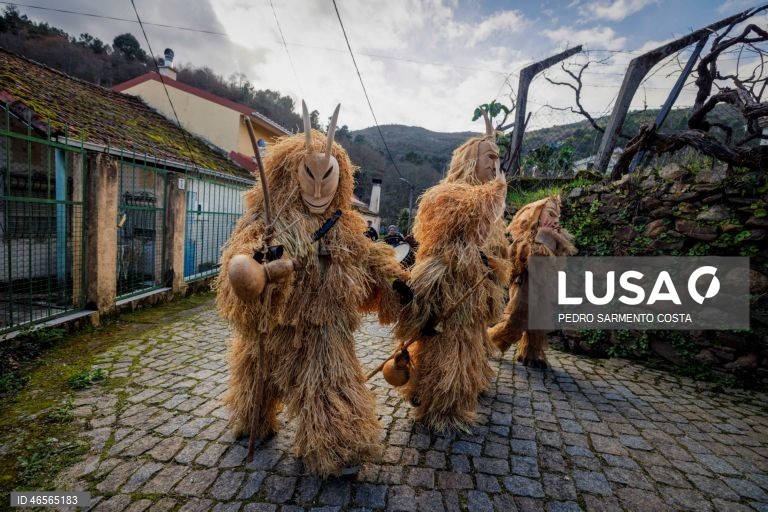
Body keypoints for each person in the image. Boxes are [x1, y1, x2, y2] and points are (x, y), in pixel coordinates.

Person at [217, 102, 408, 477]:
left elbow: (368, 258)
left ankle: (338, 445)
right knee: (257, 376)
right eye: (310, 177)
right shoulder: (270, 220)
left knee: (330, 386)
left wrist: (392, 280)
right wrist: (255, 265)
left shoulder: (346, 226)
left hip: (326, 330)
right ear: (290, 174)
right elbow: (246, 257)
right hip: (276, 326)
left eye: (327, 178)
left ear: (341, 180)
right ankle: (253, 416)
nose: (319, 188)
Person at [391, 111, 509, 432]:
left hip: (474, 297)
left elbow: (498, 251)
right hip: (448, 288)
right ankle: (440, 407)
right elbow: (465, 221)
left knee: (469, 347)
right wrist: (496, 190)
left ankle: (457, 390)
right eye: (489, 157)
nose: (495, 164)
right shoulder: (447, 195)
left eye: (497, 158)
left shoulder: (494, 214)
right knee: (446, 347)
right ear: (470, 160)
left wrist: (493, 271)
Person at [487, 196, 577, 368]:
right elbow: (525, 259)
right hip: (525, 284)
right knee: (515, 320)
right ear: (537, 214)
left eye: (558, 217)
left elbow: (557, 265)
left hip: (543, 286)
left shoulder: (556, 239)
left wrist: (557, 244)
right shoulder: (526, 237)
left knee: (539, 322)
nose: (555, 220)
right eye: (551, 214)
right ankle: (488, 344)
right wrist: (541, 236)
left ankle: (531, 354)